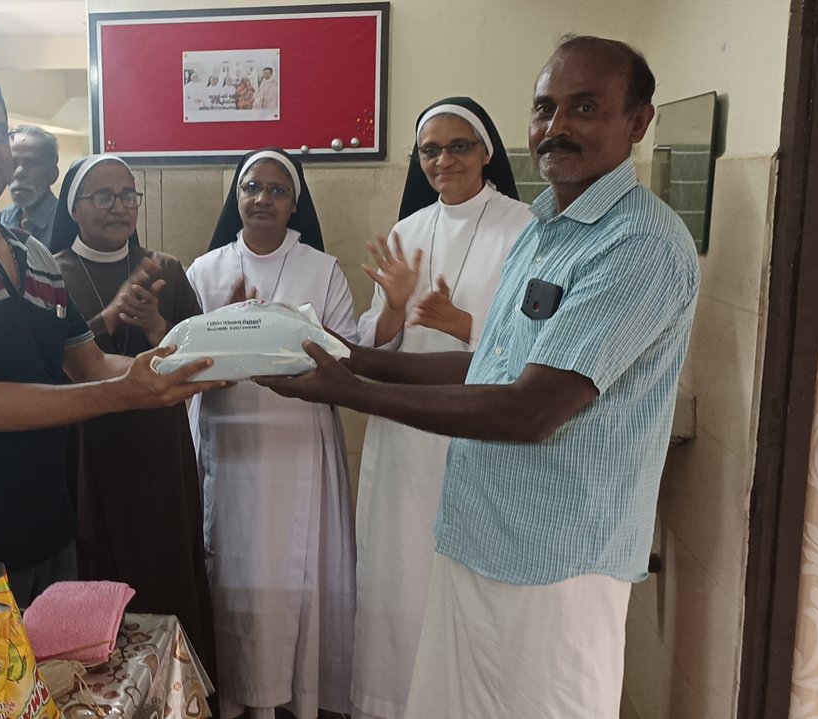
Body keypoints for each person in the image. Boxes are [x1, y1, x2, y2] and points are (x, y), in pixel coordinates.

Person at [257, 36, 699, 719]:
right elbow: (491, 363)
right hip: (476, 535)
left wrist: (351, 391)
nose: (557, 126)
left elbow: (530, 408)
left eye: (585, 107)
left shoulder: (635, 243)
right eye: (545, 108)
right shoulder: (546, 230)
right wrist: (350, 357)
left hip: (555, 559)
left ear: (638, 122)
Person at [0, 70, 223, 606]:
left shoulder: (35, 255)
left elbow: (90, 363)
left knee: (54, 662)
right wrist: (124, 393)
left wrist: (189, 365)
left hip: (48, 528)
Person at [348, 97, 532, 719]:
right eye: (430, 150)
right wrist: (396, 306)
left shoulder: (525, 228)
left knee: (468, 585)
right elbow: (376, 343)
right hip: (407, 435)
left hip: (479, 432)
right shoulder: (407, 231)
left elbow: (540, 344)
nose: (443, 160)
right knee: (402, 578)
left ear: (486, 152)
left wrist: (465, 325)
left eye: (458, 146)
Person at [185, 148, 356, 719]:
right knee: (228, 566)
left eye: (277, 190)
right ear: (236, 196)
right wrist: (228, 334)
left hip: (297, 438)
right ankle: (233, 695)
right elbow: (182, 357)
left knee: (293, 570)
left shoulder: (322, 269)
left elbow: (345, 353)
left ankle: (295, 697)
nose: (262, 199)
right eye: (252, 187)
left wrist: (283, 333)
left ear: (294, 202)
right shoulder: (204, 270)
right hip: (228, 440)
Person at [47, 154, 216, 670]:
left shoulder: (166, 268)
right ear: (74, 208)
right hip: (87, 445)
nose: (119, 206)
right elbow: (48, 362)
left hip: (158, 444)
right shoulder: (52, 272)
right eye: (103, 196)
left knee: (164, 565)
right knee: (97, 566)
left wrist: (155, 327)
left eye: (128, 195)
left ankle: (176, 684)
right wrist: (108, 316)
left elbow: (202, 357)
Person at [0, 125, 59, 246]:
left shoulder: (67, 221)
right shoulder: (1, 219)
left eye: (31, 163)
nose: (19, 173)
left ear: (52, 175)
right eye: (12, 163)